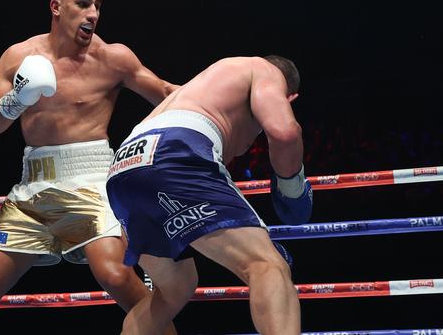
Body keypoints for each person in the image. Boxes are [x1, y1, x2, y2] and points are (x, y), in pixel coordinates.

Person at [0, 0, 178, 335]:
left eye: (97, 6)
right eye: (83, 3)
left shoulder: (112, 57)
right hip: (33, 188)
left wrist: (225, 96)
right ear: (56, 7)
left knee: (116, 277)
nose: (93, 13)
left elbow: (168, 93)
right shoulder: (19, 56)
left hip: (91, 181)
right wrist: (17, 99)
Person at [106, 55, 313, 335]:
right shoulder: (263, 70)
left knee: (174, 289)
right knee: (266, 264)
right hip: (174, 150)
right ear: (290, 97)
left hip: (124, 165)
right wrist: (292, 186)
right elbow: (285, 133)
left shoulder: (207, 85)